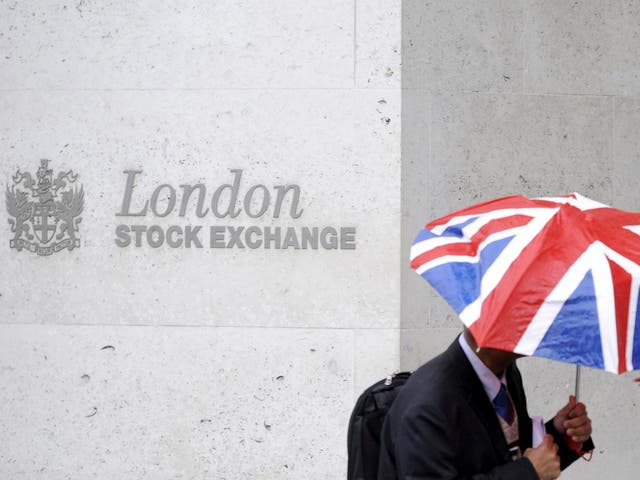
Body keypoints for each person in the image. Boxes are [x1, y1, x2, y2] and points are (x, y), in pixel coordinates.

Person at [378, 328, 594, 479]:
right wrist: (528, 473)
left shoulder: (505, 371)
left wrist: (558, 434)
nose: (540, 324)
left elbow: (507, 452)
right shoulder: (428, 406)